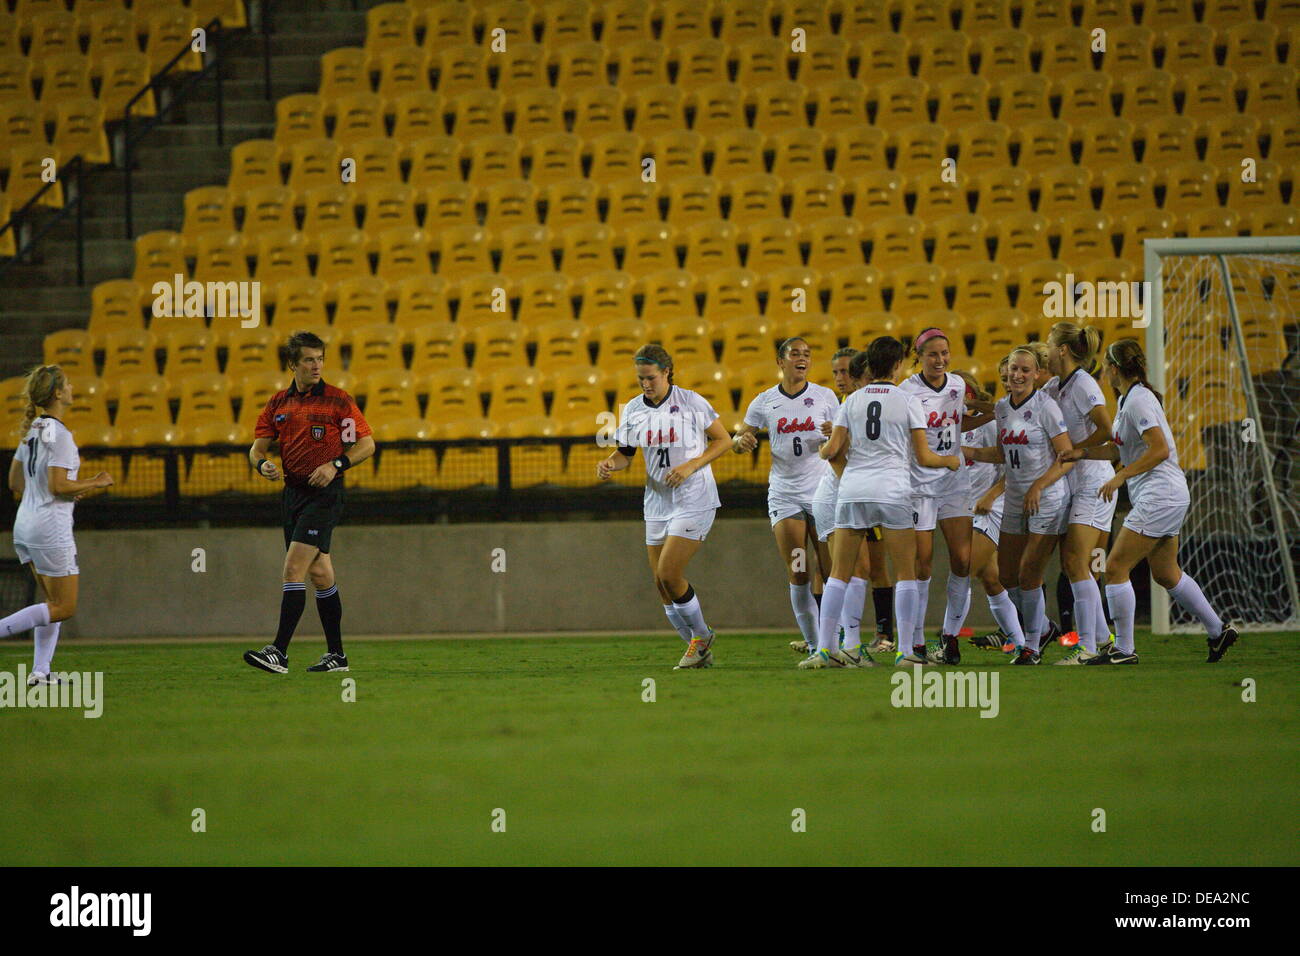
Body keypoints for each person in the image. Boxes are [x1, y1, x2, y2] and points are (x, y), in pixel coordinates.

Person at [1059, 339, 1239, 664]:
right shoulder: (1132, 398)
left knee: (1114, 568)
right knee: (1167, 573)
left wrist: (1120, 476)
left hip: (1160, 495)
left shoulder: (1138, 400)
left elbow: (1159, 450)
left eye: (1107, 369)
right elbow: (1119, 449)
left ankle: (1124, 650)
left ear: (1114, 369)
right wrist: (1083, 452)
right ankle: (1218, 630)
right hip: (1167, 495)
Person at [803, 338, 959, 669]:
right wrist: (950, 461)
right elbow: (924, 456)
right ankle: (905, 652)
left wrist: (820, 451)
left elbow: (831, 451)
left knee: (839, 574)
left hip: (853, 491)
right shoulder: (908, 401)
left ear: (870, 366)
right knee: (904, 574)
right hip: (892, 492)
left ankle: (824, 650)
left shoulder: (852, 401)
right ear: (898, 365)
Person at [242, 331, 375, 675]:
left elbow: (366, 445)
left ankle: (279, 652)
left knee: (293, 568)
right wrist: (262, 464)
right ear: (293, 364)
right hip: (293, 495)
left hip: (325, 495)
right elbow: (257, 449)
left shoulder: (337, 400)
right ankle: (337, 657)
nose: (316, 366)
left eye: (320, 359)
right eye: (309, 360)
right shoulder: (277, 404)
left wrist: (336, 465)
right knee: (319, 572)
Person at [598, 344, 732, 670]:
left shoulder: (690, 401)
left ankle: (701, 636)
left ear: (667, 372)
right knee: (661, 584)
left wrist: (691, 466)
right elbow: (626, 455)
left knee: (669, 573)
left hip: (693, 498)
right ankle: (698, 650)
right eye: (641, 379)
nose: (646, 384)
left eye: (651, 378)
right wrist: (609, 464)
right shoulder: (632, 409)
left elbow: (724, 440)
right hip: (657, 502)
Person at [0, 366, 113, 684]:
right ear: (58, 394)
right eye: (67, 384)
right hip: (49, 529)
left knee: (52, 603)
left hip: (26, 524)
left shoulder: (33, 428)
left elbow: (15, 481)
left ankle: (40, 672)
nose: (73, 387)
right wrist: (96, 481)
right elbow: (59, 487)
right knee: (64, 607)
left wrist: (56, 492)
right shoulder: (60, 435)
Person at [964, 346, 1074, 664]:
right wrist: (966, 453)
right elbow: (1002, 454)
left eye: (1026, 370)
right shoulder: (1001, 407)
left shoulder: (1047, 408)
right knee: (1008, 575)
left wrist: (1039, 486)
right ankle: (1042, 629)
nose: (1018, 375)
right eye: (1014, 369)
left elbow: (1065, 458)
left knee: (1029, 574)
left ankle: (1032, 646)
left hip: (1046, 499)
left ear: (1037, 374)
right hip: (1014, 498)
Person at [732, 338, 840, 655]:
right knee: (799, 568)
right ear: (781, 361)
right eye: (795, 354)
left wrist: (836, 431)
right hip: (785, 495)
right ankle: (813, 642)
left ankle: (838, 640)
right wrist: (742, 442)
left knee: (831, 568)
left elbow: (845, 437)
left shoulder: (825, 396)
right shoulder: (764, 401)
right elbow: (740, 437)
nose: (802, 358)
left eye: (807, 354)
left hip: (822, 492)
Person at [899, 327, 994, 665]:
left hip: (954, 481)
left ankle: (951, 638)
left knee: (963, 561)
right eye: (932, 354)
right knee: (922, 563)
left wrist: (992, 411)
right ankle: (916, 640)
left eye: (944, 353)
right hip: (920, 483)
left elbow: (953, 425)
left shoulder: (956, 385)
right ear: (919, 357)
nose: (940, 360)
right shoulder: (907, 391)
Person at [1044, 322, 1116, 665]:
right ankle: (1102, 638)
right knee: (1078, 563)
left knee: (1076, 562)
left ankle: (1086, 646)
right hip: (1074, 484)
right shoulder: (1056, 385)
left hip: (1093, 482)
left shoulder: (1084, 383)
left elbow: (1106, 430)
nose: (1045, 348)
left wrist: (1078, 450)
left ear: (1062, 349)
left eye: (1049, 342)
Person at [955, 364, 1027, 655]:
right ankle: (1026, 641)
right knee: (991, 578)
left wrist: (991, 494)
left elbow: (1017, 466)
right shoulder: (948, 427)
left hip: (990, 508)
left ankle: (946, 642)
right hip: (965, 509)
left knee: (963, 571)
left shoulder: (989, 424)